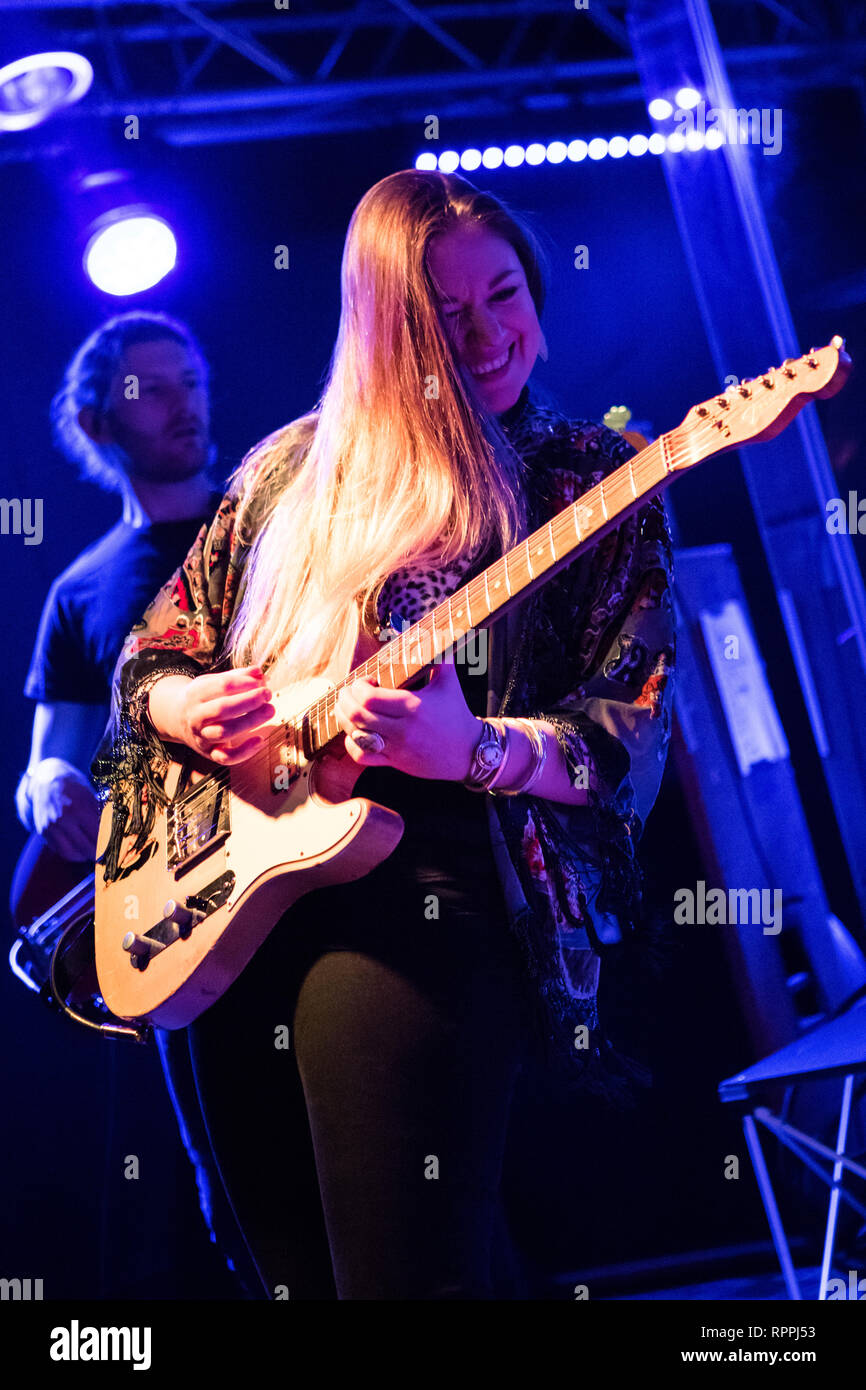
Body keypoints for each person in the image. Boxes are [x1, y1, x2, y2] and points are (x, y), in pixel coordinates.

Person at [93, 170, 676, 1300]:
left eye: (502, 293)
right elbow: (145, 658)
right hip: (228, 900)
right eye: (440, 315)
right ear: (381, 328)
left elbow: (627, 737)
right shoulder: (280, 476)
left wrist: (470, 748)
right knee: (284, 1272)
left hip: (427, 898)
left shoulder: (589, 481)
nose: (486, 334)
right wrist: (179, 704)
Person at [13, 310, 262, 1296]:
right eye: (150, 387)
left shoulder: (266, 523)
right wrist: (48, 789)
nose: (183, 402)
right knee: (235, 1181)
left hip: (307, 869)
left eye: (190, 379)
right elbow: (47, 768)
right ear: (96, 418)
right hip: (180, 911)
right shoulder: (79, 591)